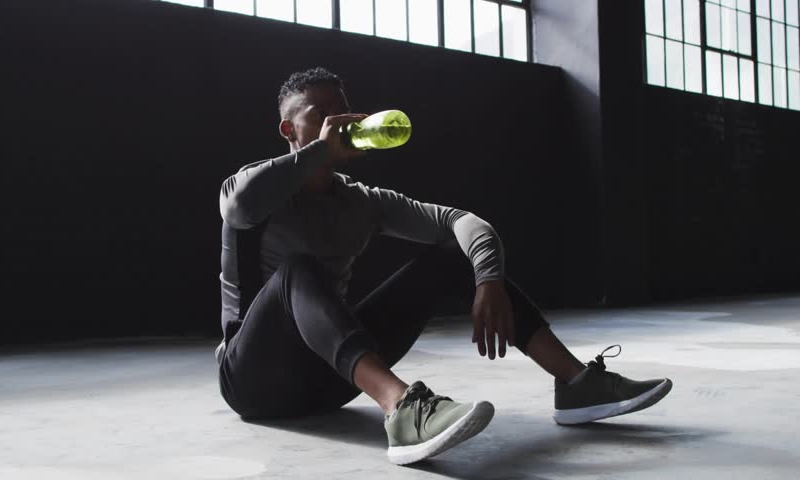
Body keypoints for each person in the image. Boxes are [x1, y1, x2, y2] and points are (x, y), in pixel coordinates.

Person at [215, 67, 672, 465]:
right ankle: (401, 409)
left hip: (327, 381)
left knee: (451, 255)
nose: (341, 123)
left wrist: (488, 279)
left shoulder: (362, 201)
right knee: (298, 269)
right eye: (321, 114)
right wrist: (319, 151)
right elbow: (239, 208)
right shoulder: (252, 184)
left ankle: (576, 383)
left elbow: (462, 222)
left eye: (344, 111)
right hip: (253, 381)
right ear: (288, 129)